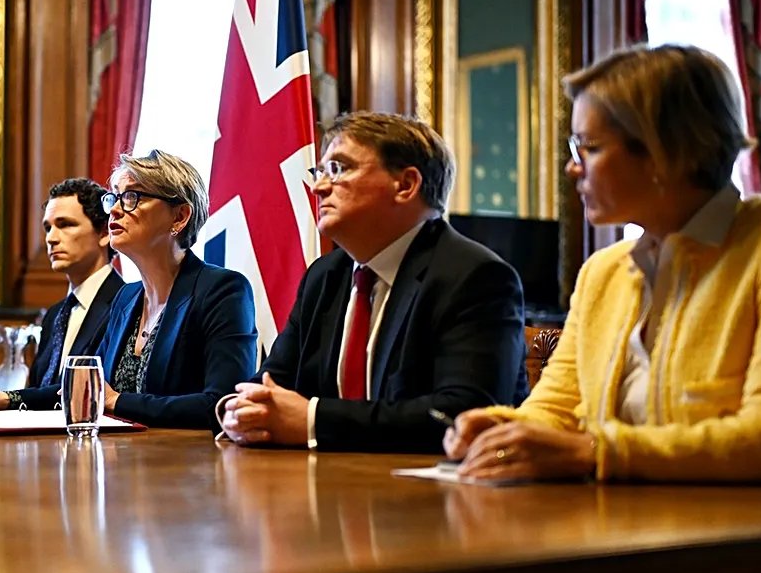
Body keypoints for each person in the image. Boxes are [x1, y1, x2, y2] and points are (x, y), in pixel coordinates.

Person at [444, 44, 761, 488]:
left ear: (663, 153)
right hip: (633, 534)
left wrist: (594, 451)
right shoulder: (604, 272)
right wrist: (501, 429)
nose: (571, 168)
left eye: (589, 148)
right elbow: (557, 409)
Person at [218, 112, 528, 452]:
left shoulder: (475, 276)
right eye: (319, 172)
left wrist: (313, 420)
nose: (319, 187)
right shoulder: (325, 277)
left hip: (437, 497)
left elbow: (463, 417)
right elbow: (270, 383)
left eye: (339, 168)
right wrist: (239, 411)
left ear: (406, 185)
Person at [0, 150, 258, 429]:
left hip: (187, 475)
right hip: (119, 468)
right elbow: (84, 385)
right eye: (114, 198)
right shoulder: (126, 299)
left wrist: (115, 401)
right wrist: (5, 399)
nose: (114, 211)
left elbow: (223, 404)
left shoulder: (222, 291)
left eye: (132, 197)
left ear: (179, 216)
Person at [27, 178, 125, 387]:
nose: (51, 238)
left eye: (65, 225)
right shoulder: (54, 314)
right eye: (48, 228)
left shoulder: (125, 305)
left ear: (104, 232)